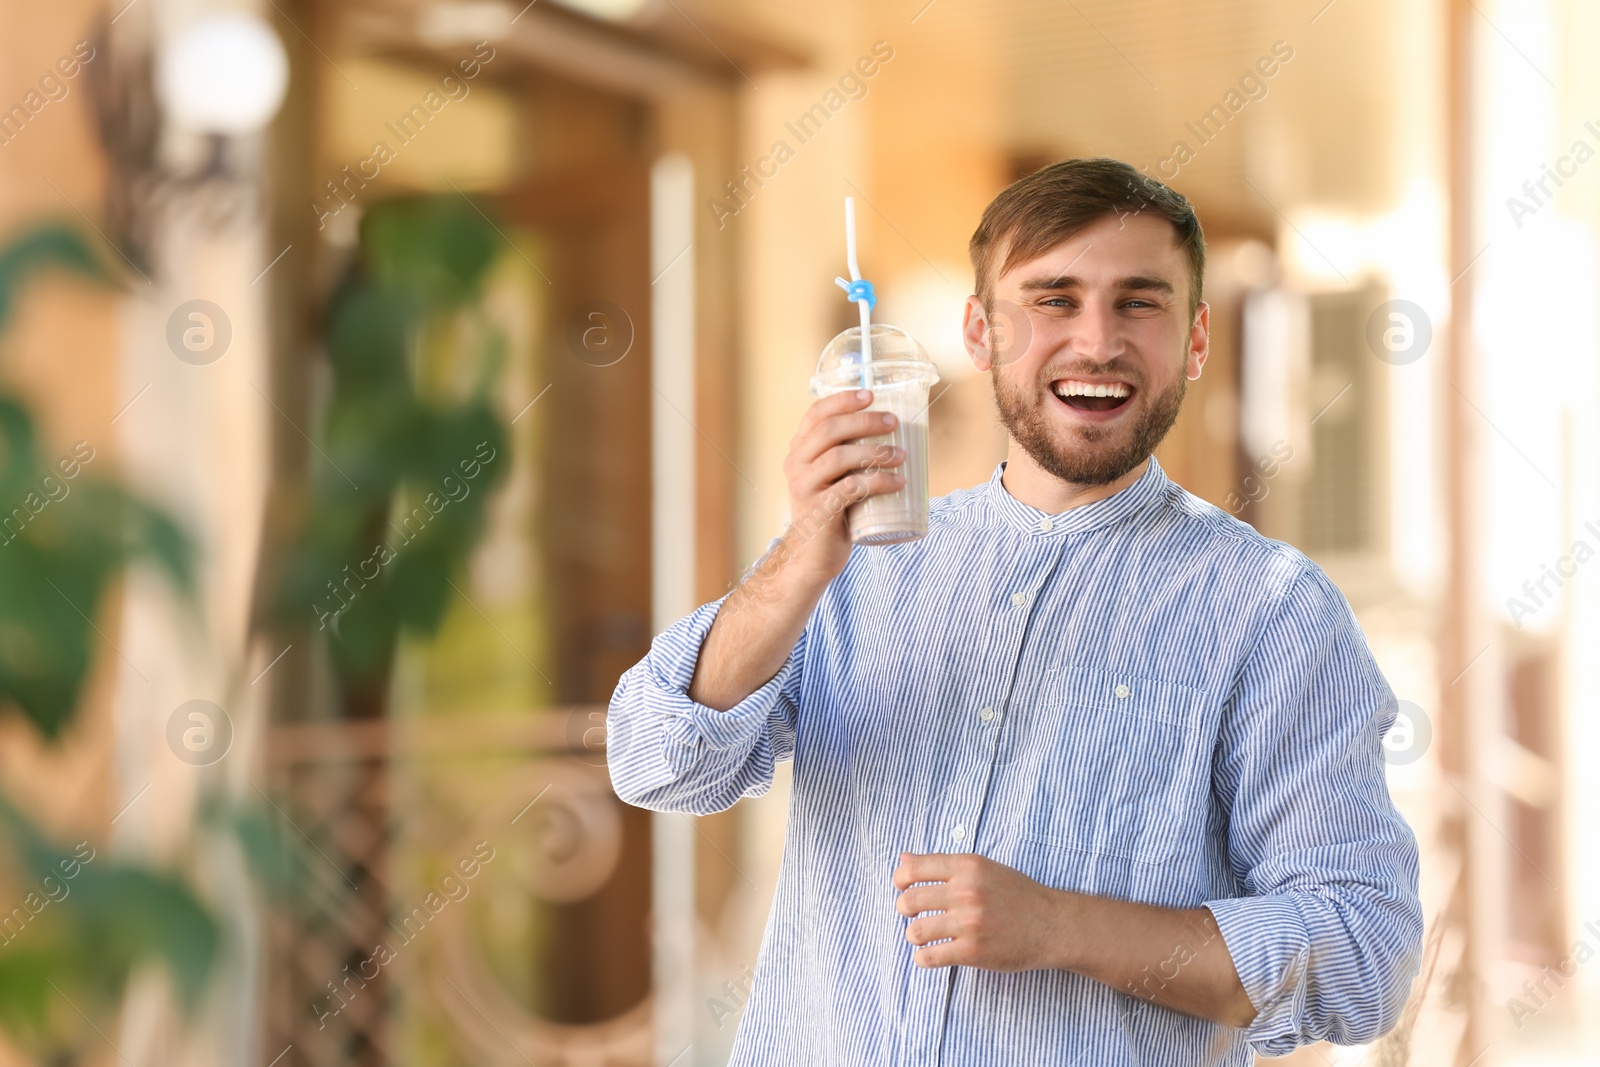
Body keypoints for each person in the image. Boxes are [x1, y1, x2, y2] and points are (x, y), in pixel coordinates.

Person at [606, 157, 1423, 1065]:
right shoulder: (850, 566)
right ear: (978, 332)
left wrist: (1061, 925)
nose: (1097, 342)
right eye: (1053, 299)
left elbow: (1361, 953)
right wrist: (802, 555)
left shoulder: (1273, 612)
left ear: (1196, 340)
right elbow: (653, 761)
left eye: (1139, 303)